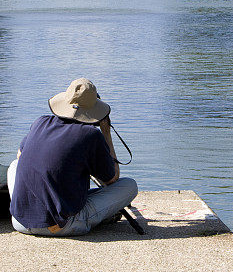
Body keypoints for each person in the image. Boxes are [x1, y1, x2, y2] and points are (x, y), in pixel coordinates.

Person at [8, 78, 139, 236]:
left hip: (19, 221)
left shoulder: (40, 122)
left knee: (15, 165)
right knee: (130, 185)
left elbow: (20, 155)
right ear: (95, 110)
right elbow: (111, 179)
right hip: (61, 226)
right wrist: (106, 133)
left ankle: (27, 210)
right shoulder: (91, 135)